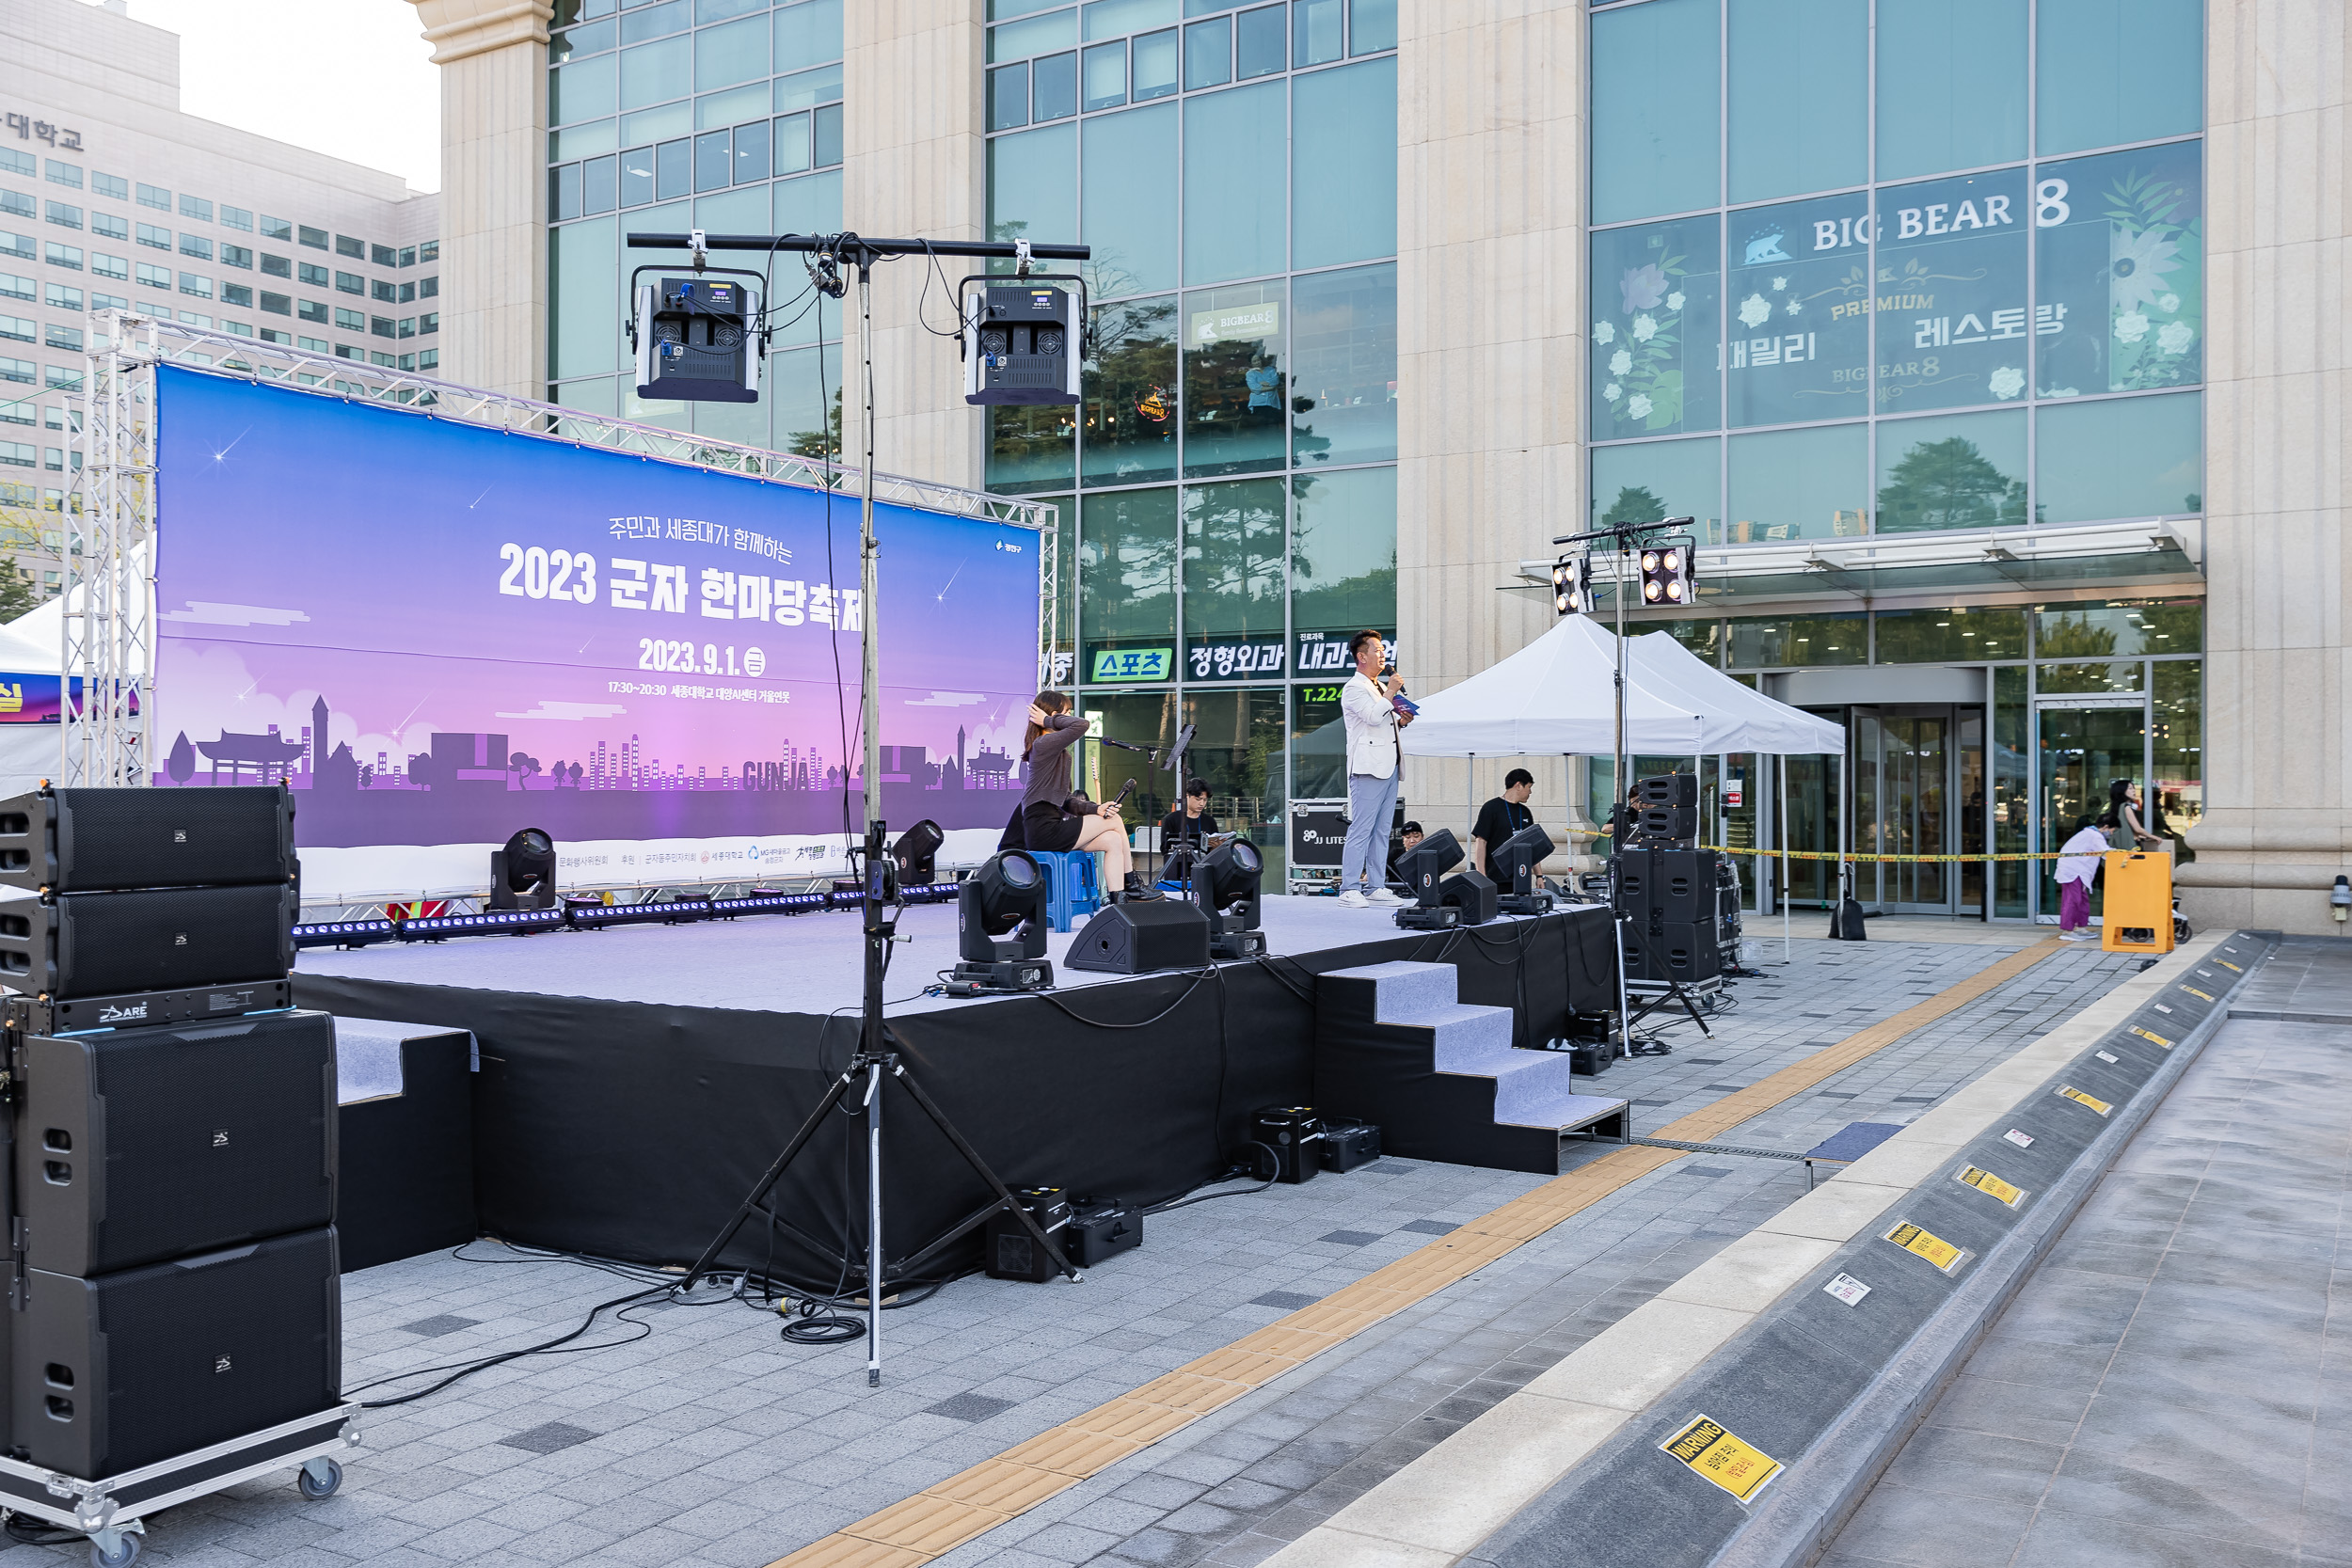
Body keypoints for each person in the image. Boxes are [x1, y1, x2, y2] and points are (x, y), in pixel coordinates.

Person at [1019, 691, 1156, 901]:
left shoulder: (1057, 752)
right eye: (1066, 713)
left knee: (1111, 839)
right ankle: (1132, 883)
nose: (1069, 717)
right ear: (1055, 715)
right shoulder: (1043, 744)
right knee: (1116, 820)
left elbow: (1066, 799)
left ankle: (1118, 896)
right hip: (1043, 828)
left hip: (1052, 824)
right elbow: (1081, 725)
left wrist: (1096, 809)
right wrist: (1047, 720)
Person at [1339, 628, 1411, 908]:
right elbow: (1371, 717)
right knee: (1362, 828)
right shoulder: (1354, 688)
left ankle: (1376, 886)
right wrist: (1391, 690)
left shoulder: (1379, 687)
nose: (1383, 655)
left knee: (1382, 830)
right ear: (1361, 656)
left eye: (1383, 650)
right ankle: (1349, 887)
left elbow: (1384, 724)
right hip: (1367, 766)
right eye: (1377, 650)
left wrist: (1402, 720)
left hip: (1389, 764)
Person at [2055, 814, 2107, 942]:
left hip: (2079, 871)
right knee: (2072, 901)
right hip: (2073, 871)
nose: (2111, 833)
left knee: (2082, 901)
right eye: (2112, 830)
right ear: (2106, 827)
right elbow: (2106, 852)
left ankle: (2081, 927)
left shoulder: (2089, 834)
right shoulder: (2095, 836)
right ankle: (2067, 931)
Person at [1472, 768, 1536, 875]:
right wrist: (1481, 874)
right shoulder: (1491, 808)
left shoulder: (1525, 812)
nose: (1530, 792)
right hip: (1494, 876)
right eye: (1529, 787)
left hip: (1521, 876)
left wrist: (1539, 875)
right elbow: (1481, 841)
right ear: (1519, 785)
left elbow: (1533, 846)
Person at [1159, 779, 1219, 883]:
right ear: (1187, 796)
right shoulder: (1170, 819)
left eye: (1205, 800)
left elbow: (1215, 853)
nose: (1202, 804)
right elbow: (1164, 849)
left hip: (1204, 870)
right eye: (1198, 799)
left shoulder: (1209, 821)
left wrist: (1216, 847)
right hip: (1177, 870)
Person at [1386, 820, 1424, 888]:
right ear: (1403, 839)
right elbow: (1380, 868)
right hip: (1398, 893)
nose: (1412, 841)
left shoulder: (1429, 856)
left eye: (1416, 836)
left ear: (1422, 837)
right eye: (1408, 837)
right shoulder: (1394, 854)